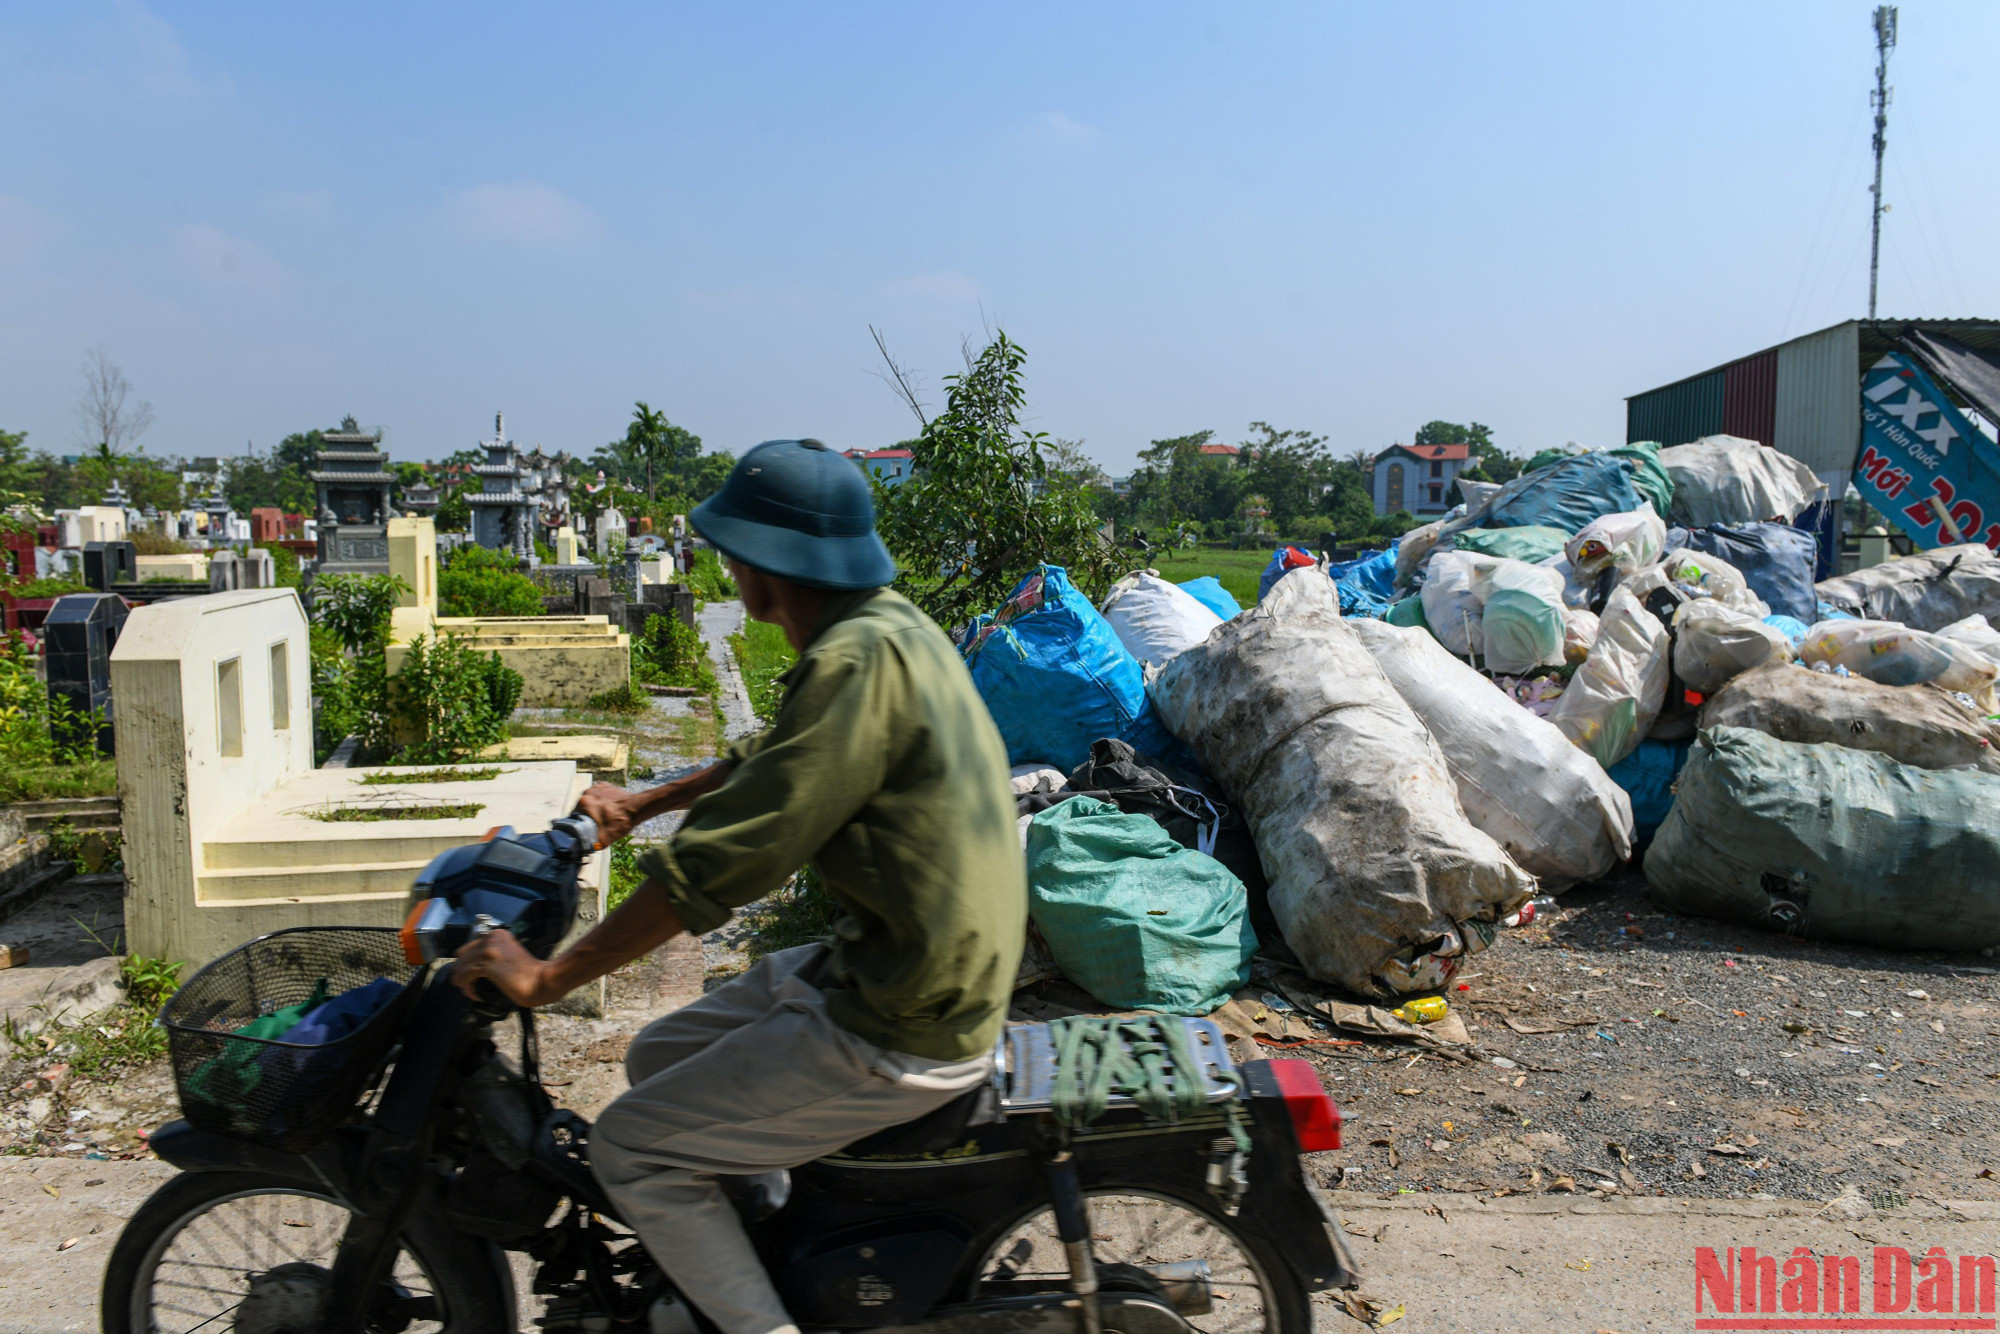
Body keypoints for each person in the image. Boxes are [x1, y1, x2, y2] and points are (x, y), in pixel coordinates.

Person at [452, 438, 1026, 1334]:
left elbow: (724, 865)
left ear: (768, 563)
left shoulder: (852, 661)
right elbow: (775, 760)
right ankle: (759, 1258)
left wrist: (548, 976)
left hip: (907, 1008)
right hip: (907, 961)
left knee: (630, 1147)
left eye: (733, 547)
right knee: (656, 1058)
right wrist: (643, 803)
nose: (724, 562)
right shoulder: (883, 629)